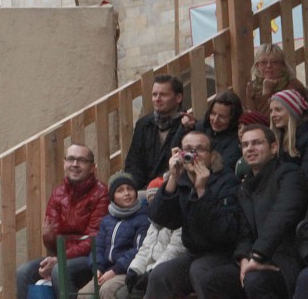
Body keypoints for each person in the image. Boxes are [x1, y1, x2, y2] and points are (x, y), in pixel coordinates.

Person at [199, 124, 308, 299]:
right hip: (256, 259)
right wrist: (243, 259)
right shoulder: (245, 187)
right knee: (212, 280)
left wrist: (257, 256)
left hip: (287, 260)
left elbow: (281, 217)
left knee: (255, 280)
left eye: (257, 143)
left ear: (274, 148)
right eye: (245, 144)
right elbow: (245, 232)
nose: (250, 148)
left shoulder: (290, 175)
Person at [145, 130, 241, 299]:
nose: (193, 154)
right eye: (188, 149)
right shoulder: (181, 181)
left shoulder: (227, 181)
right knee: (161, 274)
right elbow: (159, 219)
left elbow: (224, 231)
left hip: (224, 253)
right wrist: (173, 178)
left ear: (212, 156)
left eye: (200, 149)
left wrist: (202, 190)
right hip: (194, 253)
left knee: (200, 271)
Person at [15, 144, 109, 299]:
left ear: (92, 167)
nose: (75, 164)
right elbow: (54, 244)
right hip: (62, 257)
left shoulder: (101, 193)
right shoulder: (58, 193)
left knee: (59, 270)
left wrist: (60, 259)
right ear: (64, 163)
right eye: (71, 159)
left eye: (81, 160)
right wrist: (49, 237)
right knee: (23, 272)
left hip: (91, 258)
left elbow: (93, 240)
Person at [78, 171, 150, 299]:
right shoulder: (107, 220)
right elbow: (98, 247)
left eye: (130, 189)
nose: (127, 193)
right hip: (107, 270)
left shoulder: (143, 218)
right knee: (84, 294)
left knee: (107, 290)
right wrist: (97, 268)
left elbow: (138, 250)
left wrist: (115, 270)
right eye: (120, 190)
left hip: (127, 270)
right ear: (113, 197)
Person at [122, 177, 185, 299]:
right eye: (150, 201)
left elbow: (175, 251)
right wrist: (134, 270)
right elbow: (145, 249)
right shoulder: (153, 224)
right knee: (123, 293)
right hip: (147, 270)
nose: (154, 205)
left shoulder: (178, 222)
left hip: (163, 272)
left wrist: (151, 272)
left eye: (156, 201)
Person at [125, 74, 186, 189]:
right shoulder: (143, 125)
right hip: (143, 190)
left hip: (173, 188)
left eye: (163, 95)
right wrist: (132, 189)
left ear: (178, 98)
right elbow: (134, 164)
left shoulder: (188, 127)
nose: (157, 99)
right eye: (154, 94)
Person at [182, 90, 244, 174]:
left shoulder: (235, 142)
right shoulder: (201, 126)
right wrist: (186, 129)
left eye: (222, 117)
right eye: (213, 114)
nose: (215, 120)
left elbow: (224, 169)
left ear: (232, 119)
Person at [246, 44, 308, 115]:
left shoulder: (293, 85)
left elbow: (275, 118)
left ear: (282, 65)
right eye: (263, 62)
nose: (269, 66)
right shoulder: (252, 86)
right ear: (257, 66)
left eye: (274, 62)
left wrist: (267, 93)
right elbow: (253, 117)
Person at [269, 89, 308, 168]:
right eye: (271, 111)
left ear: (293, 112)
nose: (273, 115)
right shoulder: (278, 137)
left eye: (278, 110)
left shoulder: (305, 138)